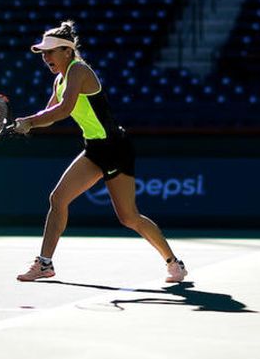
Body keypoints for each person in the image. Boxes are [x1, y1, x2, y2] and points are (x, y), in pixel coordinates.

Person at [15, 20, 188, 283]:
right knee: (58, 198)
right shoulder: (59, 80)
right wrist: (28, 121)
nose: (46, 57)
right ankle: (45, 264)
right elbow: (49, 115)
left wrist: (30, 121)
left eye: (51, 51)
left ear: (67, 51)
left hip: (115, 148)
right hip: (94, 149)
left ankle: (174, 262)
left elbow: (63, 110)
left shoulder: (79, 71)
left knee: (129, 217)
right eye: (43, 53)